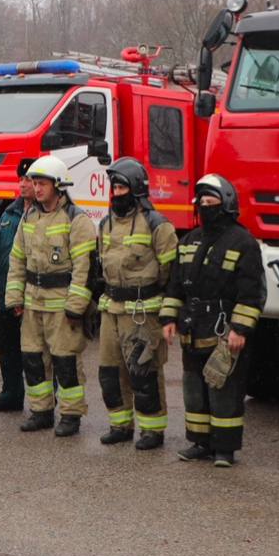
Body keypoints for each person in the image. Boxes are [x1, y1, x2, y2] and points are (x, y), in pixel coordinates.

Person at [160, 173, 265, 468]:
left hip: (223, 329)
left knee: (224, 388)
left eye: (212, 201)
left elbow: (251, 292)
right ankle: (200, 443)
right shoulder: (189, 240)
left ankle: (224, 449)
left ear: (227, 203)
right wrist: (169, 318)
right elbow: (175, 285)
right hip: (192, 327)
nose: (206, 207)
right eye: (202, 202)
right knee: (194, 389)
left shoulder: (243, 242)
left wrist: (239, 328)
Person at [5, 155, 97, 438]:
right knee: (33, 359)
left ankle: (70, 415)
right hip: (33, 302)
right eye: (34, 183)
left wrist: (76, 306)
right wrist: (15, 298)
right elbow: (17, 259)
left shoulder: (76, 219)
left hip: (62, 305)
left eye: (42, 183)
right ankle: (41, 411)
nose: (36, 188)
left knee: (65, 362)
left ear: (58, 185)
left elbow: (84, 267)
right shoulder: (28, 217)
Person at [96, 157, 177, 450]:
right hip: (111, 309)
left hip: (143, 311)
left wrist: (167, 312)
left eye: (122, 188)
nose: (116, 193)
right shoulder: (105, 223)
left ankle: (152, 430)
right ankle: (120, 425)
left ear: (136, 189)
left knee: (143, 372)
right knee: (110, 372)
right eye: (114, 188)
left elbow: (171, 272)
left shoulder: (157, 225)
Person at [0, 158, 35, 413]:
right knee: (8, 349)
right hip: (7, 293)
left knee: (36, 354)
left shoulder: (46, 215)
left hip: (34, 297)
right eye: (21, 179)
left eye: (29, 180)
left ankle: (44, 402)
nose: (23, 184)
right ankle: (10, 394)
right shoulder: (8, 213)